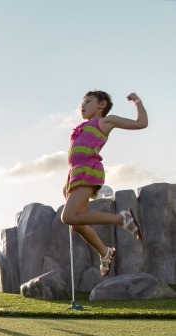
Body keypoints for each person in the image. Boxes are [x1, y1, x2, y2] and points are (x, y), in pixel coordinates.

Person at [60, 91, 147, 276]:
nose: (82, 106)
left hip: (88, 170)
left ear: (102, 104)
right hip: (77, 173)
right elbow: (74, 157)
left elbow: (141, 123)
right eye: (81, 103)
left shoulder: (105, 122)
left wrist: (137, 102)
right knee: (77, 224)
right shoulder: (81, 127)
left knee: (67, 217)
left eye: (88, 101)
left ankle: (121, 219)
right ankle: (105, 252)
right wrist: (68, 181)